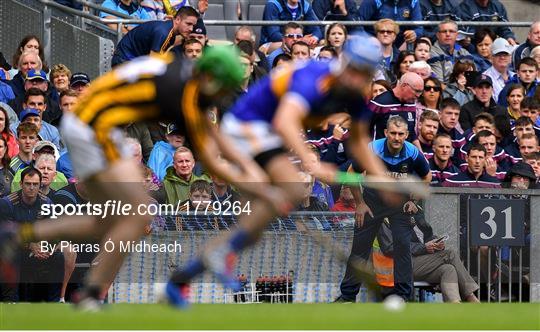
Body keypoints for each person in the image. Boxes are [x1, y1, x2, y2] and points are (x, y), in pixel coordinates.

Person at [0, 47, 280, 308]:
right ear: (210, 76)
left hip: (101, 127)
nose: (221, 94)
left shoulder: (181, 71)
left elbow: (213, 136)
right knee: (136, 214)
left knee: (111, 219)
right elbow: (210, 155)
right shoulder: (181, 91)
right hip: (93, 127)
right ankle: (91, 294)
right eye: (221, 85)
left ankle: (24, 238)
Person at [169, 35, 404, 307]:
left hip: (269, 136)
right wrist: (311, 162)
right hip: (247, 125)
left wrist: (384, 181)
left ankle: (184, 277)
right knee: (292, 187)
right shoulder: (314, 78)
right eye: (354, 70)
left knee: (253, 229)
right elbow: (285, 121)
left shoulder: (355, 95)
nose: (357, 78)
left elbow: (360, 143)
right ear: (344, 62)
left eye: (364, 73)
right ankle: (222, 253)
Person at [337, 116, 432, 302]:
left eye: (401, 134)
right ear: (386, 133)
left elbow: (426, 176)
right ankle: (347, 296)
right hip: (372, 203)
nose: (397, 138)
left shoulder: (413, 152)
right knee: (359, 250)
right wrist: (360, 203)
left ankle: (404, 296)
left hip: (400, 204)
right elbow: (351, 175)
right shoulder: (372, 149)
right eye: (393, 133)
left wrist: (414, 200)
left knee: (403, 248)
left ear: (406, 135)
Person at [375, 216, 480, 303]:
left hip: (420, 263)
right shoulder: (385, 217)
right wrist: (424, 247)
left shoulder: (414, 211)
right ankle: (471, 297)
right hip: (400, 266)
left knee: (448, 269)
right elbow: (390, 247)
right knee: (449, 254)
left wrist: (436, 243)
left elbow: (427, 235)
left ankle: (454, 305)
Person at [111, 6, 199, 66]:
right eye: (188, 24)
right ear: (178, 20)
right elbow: (153, 63)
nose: (191, 29)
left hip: (129, 60)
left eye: (193, 26)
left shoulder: (170, 31)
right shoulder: (164, 32)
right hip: (124, 59)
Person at [369, 71, 424, 149]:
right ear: (404, 86)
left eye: (420, 92)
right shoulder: (380, 103)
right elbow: (361, 128)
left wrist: (420, 154)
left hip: (403, 157)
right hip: (380, 155)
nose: (418, 95)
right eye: (416, 91)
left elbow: (411, 133)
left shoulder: (411, 104)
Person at [357, 0, 423, 48]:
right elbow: (358, 23)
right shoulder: (373, 1)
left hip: (400, 44)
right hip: (374, 43)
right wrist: (367, 39)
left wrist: (414, 34)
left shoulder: (413, 1)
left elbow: (419, 28)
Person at [429, 19, 472, 84]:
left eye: (451, 31)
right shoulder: (432, 53)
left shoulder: (464, 52)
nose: (448, 34)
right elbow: (438, 84)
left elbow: (473, 77)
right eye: (444, 31)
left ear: (457, 35)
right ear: (438, 35)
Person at [483, 38, 514, 102]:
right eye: (498, 54)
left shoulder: (516, 76)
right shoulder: (485, 77)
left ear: (510, 57)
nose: (502, 57)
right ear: (491, 57)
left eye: (505, 54)